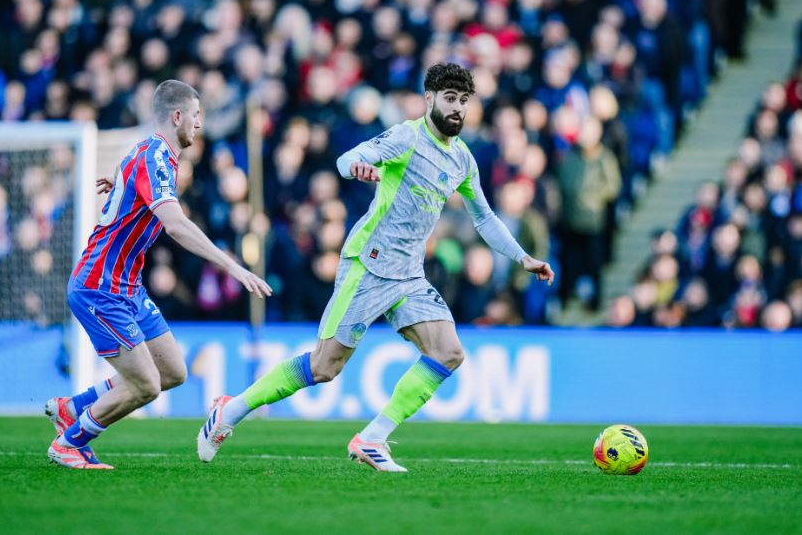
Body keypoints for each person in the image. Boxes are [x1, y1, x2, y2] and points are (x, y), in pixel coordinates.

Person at [196, 63, 554, 472]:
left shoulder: (462, 159)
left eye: (464, 101)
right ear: (429, 99)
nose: (457, 108)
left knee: (449, 352)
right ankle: (230, 410)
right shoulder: (407, 136)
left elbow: (485, 218)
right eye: (450, 99)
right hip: (368, 265)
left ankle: (373, 437)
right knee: (323, 367)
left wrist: (522, 257)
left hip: (409, 275)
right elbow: (348, 158)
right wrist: (358, 168)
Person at [46, 80, 271, 470]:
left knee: (172, 371)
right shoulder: (154, 157)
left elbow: (128, 172)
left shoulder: (155, 154)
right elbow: (176, 226)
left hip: (127, 287)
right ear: (178, 116)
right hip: (100, 287)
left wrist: (120, 188)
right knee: (146, 385)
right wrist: (233, 266)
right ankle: (70, 442)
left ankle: (73, 408)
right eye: (197, 116)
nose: (200, 124)